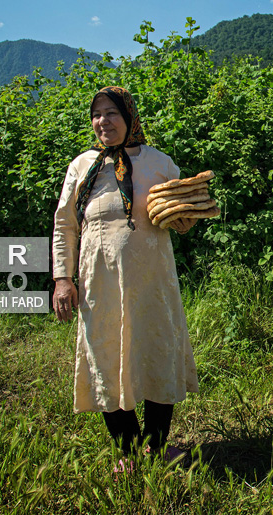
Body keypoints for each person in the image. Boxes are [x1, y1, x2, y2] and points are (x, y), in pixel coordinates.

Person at [51, 86, 198, 472]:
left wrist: (184, 222)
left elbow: (181, 213)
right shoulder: (82, 166)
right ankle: (129, 453)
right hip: (99, 283)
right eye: (97, 114)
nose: (104, 121)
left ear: (129, 117)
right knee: (104, 358)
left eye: (112, 113)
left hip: (152, 281)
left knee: (155, 353)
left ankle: (156, 446)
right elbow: (64, 224)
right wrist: (62, 278)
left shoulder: (159, 163)